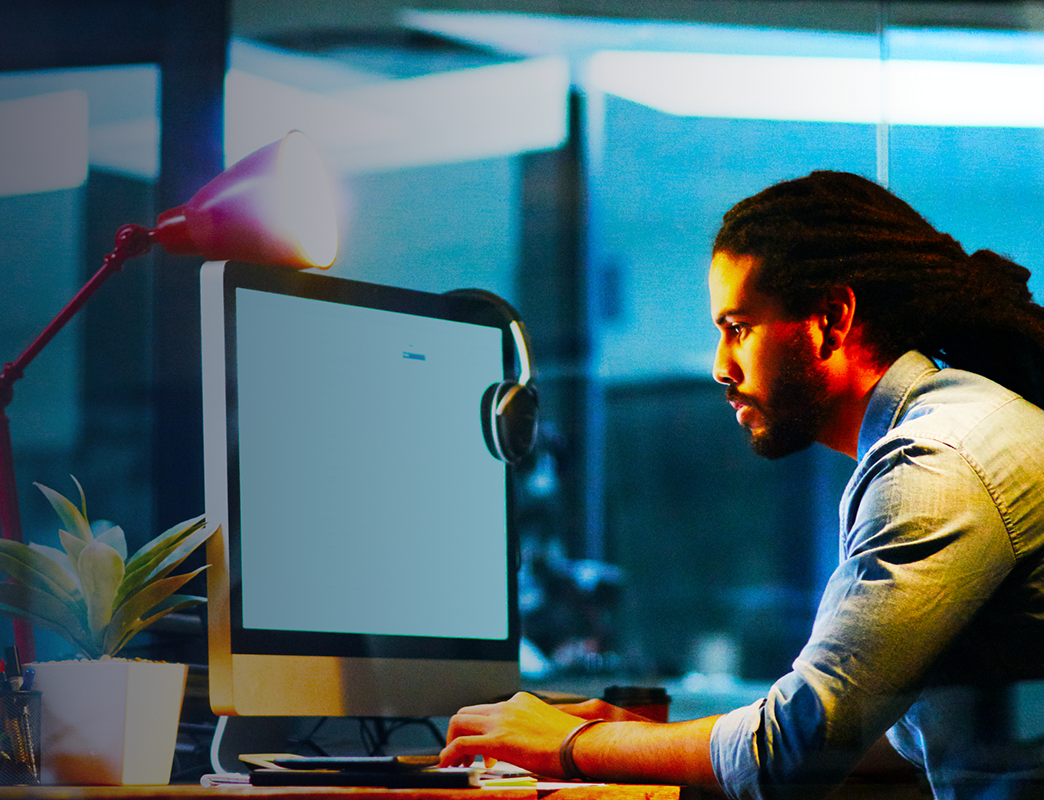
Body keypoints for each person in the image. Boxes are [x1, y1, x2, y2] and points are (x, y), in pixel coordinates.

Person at [438, 171, 1044, 799]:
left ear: (830, 321)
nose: (720, 367)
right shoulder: (956, 428)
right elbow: (872, 742)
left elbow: (790, 751)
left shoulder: (932, 463)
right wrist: (640, 737)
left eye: (738, 327)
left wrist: (567, 746)